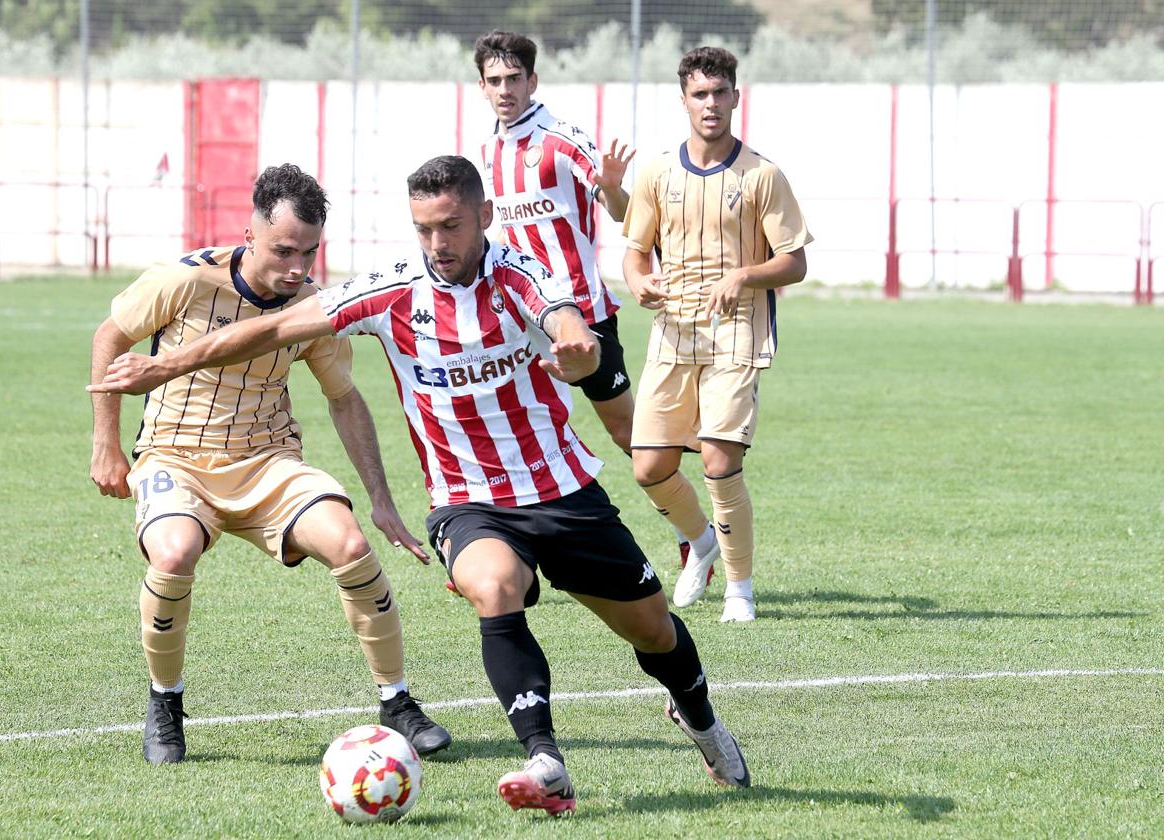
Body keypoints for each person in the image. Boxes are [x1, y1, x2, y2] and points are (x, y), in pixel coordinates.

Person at [91, 155, 750, 815]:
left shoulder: (520, 274)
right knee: (493, 588)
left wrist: (580, 349)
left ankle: (698, 716)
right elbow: (267, 329)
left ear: (483, 218)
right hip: (465, 502)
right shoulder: (389, 287)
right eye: (424, 229)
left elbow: (562, 320)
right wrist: (163, 366)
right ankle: (544, 759)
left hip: (561, 491)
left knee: (654, 632)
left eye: (451, 226)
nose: (438, 244)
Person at [88, 163, 450, 765]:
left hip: (267, 461)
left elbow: (344, 397)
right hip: (176, 459)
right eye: (284, 250)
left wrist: (382, 499)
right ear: (251, 231)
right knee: (173, 553)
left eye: (309, 252)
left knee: (352, 544)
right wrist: (106, 443)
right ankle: (165, 703)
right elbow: (109, 338)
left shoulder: (310, 304)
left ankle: (397, 701)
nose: (296, 268)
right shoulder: (184, 280)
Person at [474, 29, 706, 570]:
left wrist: (615, 185)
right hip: (516, 322)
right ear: (481, 87)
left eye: (514, 79)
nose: (505, 89)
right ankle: (487, 548)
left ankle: (697, 534)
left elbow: (620, 211)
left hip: (582, 314)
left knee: (630, 436)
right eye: (494, 81)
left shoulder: (564, 139)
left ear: (533, 81)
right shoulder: (484, 153)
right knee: (499, 429)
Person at [621, 47, 813, 623]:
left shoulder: (763, 175)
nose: (710, 103)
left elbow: (795, 262)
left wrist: (744, 275)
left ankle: (740, 589)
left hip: (737, 333)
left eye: (719, 92)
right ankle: (701, 542)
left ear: (736, 96)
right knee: (648, 467)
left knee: (717, 458)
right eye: (699, 94)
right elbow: (633, 254)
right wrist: (639, 284)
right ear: (684, 101)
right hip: (673, 332)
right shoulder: (656, 172)